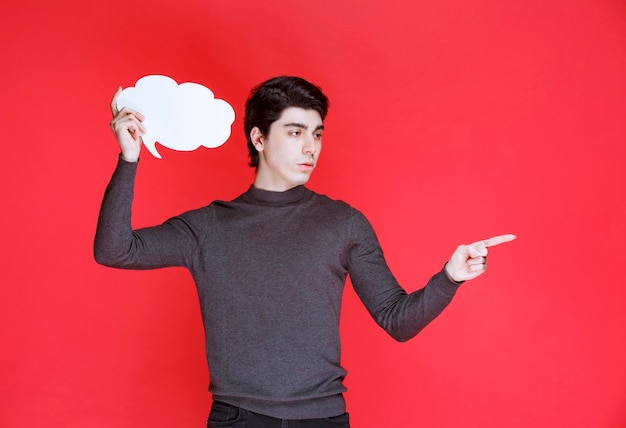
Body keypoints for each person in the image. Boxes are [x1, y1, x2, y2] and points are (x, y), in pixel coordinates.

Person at [95, 76, 515, 427]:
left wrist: (450, 277)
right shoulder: (207, 227)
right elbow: (115, 251)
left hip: (323, 419)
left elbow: (397, 320)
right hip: (238, 418)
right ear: (258, 138)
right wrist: (129, 159)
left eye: (316, 134)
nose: (310, 147)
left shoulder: (343, 223)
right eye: (295, 133)